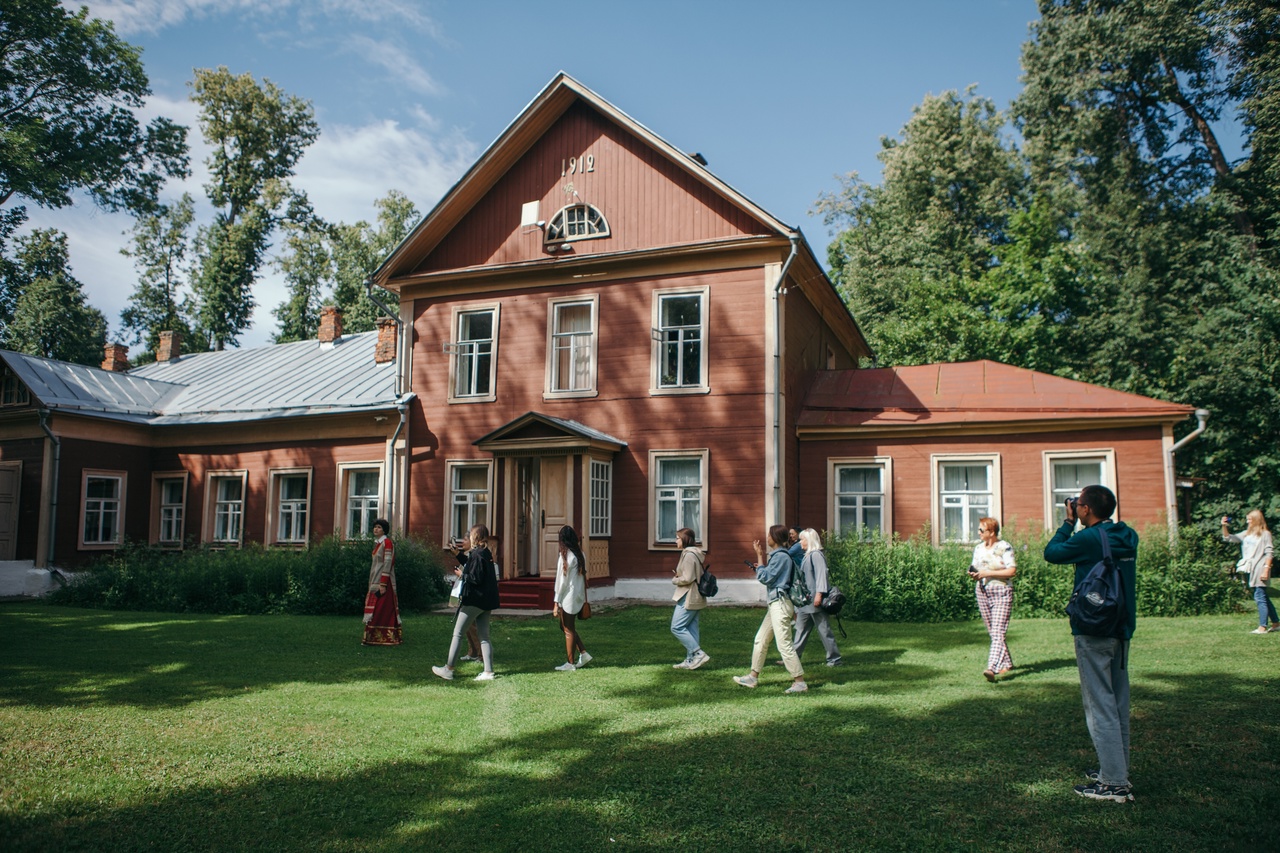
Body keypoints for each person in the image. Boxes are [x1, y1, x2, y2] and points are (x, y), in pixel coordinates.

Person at [1044, 485, 1138, 803]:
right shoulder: (1127, 535)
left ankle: (1113, 783)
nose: (1076, 507)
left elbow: (1052, 553)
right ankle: (1116, 771)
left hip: (1094, 628)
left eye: (1078, 504)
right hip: (1122, 628)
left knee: (1099, 707)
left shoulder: (1086, 538)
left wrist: (1067, 523)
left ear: (1086, 510)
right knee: (1118, 704)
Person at [734, 525, 807, 693]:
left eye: (769, 535)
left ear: (775, 537)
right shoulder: (780, 556)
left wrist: (759, 557)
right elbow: (769, 575)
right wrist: (761, 564)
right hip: (776, 603)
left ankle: (800, 682)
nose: (767, 538)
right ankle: (752, 677)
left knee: (784, 644)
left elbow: (765, 578)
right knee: (761, 639)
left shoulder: (780, 557)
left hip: (780, 605)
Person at [432, 524, 499, 682]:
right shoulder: (485, 553)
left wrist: (462, 575)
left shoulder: (478, 554)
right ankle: (488, 671)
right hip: (487, 602)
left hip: (474, 600)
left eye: (470, 536)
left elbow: (474, 577)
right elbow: (472, 565)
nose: (467, 539)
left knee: (458, 633)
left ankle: (449, 669)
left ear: (475, 537)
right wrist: (458, 555)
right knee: (484, 636)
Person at [970, 516, 1016, 681]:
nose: (979, 532)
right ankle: (1007, 662)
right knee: (993, 631)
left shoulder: (1004, 547)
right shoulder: (978, 548)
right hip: (982, 590)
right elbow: (976, 567)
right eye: (979, 529)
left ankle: (992, 667)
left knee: (998, 631)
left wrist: (988, 573)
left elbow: (1011, 571)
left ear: (991, 532)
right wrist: (974, 574)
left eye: (982, 530)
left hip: (1002, 591)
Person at [792, 528, 841, 667]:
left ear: (810, 541)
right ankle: (793, 659)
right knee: (800, 629)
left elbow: (821, 575)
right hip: (806, 601)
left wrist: (819, 594)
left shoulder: (816, 555)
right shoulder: (808, 555)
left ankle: (834, 659)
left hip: (815, 600)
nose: (800, 542)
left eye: (802, 539)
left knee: (824, 630)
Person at [1222, 510, 1277, 634]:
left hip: (1261, 566)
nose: (1248, 521)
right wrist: (1224, 526)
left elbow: (1269, 553)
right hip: (1250, 567)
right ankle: (1276, 623)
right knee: (1262, 596)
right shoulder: (1247, 534)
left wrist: (1266, 570)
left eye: (1250, 519)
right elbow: (1229, 538)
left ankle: (1262, 626)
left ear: (1257, 520)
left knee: (1259, 596)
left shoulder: (1265, 534)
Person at [552, 525, 593, 670]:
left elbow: (561, 581)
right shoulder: (580, 554)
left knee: (567, 628)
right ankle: (583, 653)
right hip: (578, 595)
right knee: (565, 626)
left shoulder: (565, 556)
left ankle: (570, 663)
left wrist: (556, 601)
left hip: (568, 596)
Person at [670, 527, 710, 669]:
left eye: (677, 538)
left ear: (684, 539)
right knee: (691, 628)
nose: (675, 541)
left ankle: (698, 653)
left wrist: (676, 579)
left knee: (677, 627)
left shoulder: (688, 555)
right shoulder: (695, 554)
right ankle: (690, 660)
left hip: (688, 595)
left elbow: (688, 578)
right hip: (696, 595)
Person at [362, 519, 402, 645]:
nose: (376, 529)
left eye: (379, 527)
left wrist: (383, 583)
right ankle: (373, 637)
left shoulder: (387, 543)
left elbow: (388, 563)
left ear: (384, 530)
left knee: (381, 608)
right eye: (375, 527)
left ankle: (384, 637)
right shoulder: (378, 544)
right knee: (377, 608)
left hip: (384, 581)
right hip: (375, 579)